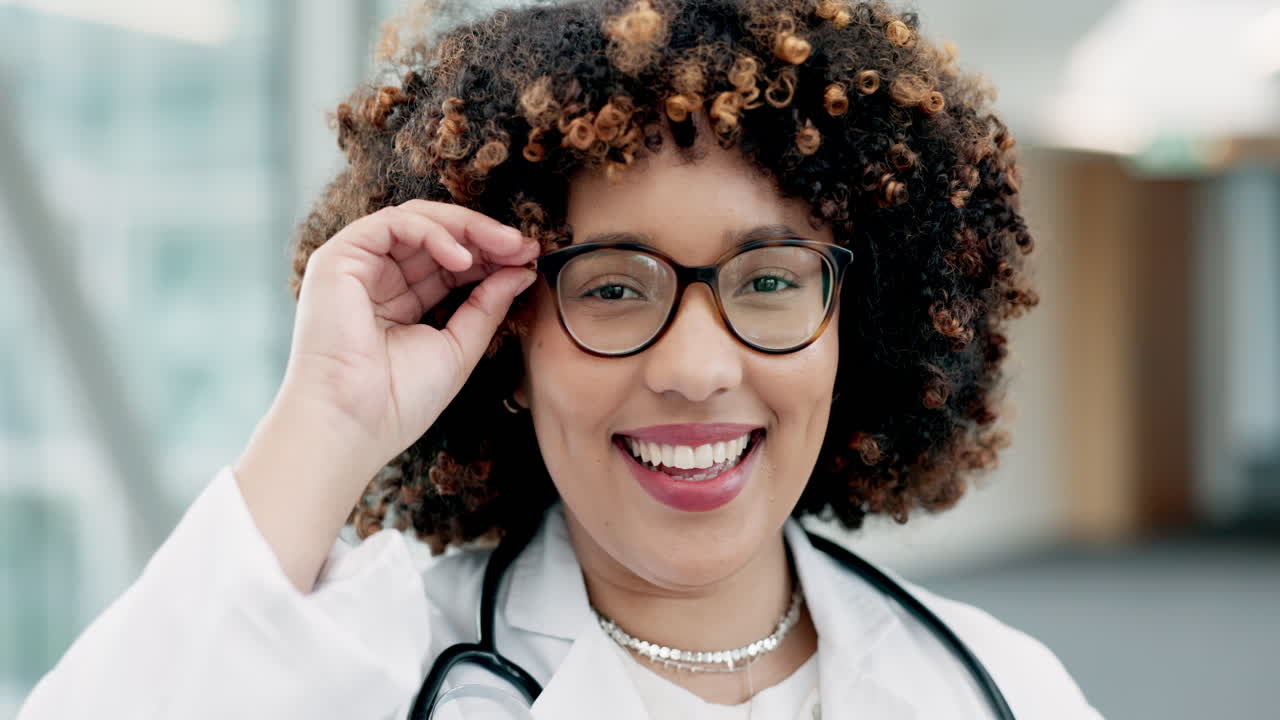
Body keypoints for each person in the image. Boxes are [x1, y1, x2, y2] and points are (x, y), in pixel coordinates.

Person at [18, 0, 1103, 718]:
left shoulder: (1002, 688)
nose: (694, 368)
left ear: (850, 327)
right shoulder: (375, 666)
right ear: (510, 337)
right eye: (614, 289)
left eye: (768, 282)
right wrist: (327, 420)